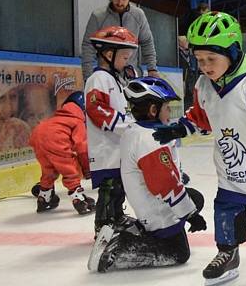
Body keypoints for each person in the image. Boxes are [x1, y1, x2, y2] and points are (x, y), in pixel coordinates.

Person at [152, 11, 246, 286]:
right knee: (226, 213)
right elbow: (202, 116)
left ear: (232, 52)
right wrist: (180, 128)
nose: (205, 66)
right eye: (199, 60)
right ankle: (228, 253)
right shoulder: (203, 86)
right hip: (230, 172)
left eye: (211, 59)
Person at [88, 77, 207, 273]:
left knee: (195, 198)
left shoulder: (135, 131)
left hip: (146, 201)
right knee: (178, 252)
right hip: (156, 211)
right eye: (167, 107)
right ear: (153, 110)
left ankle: (142, 232)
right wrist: (190, 215)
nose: (170, 112)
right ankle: (116, 250)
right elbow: (165, 183)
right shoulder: (150, 140)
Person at [85, 26, 138, 233]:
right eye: (124, 57)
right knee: (110, 187)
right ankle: (104, 224)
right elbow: (96, 108)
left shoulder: (114, 79)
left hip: (117, 147)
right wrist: (126, 126)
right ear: (109, 54)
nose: (127, 61)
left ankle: (116, 216)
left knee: (119, 185)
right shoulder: (98, 79)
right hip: (106, 148)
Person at [29, 91, 95, 215]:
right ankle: (79, 199)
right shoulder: (77, 121)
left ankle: (44, 198)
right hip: (55, 138)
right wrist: (87, 169)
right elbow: (82, 148)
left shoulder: (58, 118)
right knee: (69, 167)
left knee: (48, 169)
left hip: (38, 133)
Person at [81, 0, 160, 80]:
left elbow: (147, 42)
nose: (120, 3)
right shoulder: (98, 16)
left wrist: (152, 69)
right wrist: (88, 77)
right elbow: (88, 46)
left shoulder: (138, 15)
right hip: (106, 78)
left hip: (131, 76)